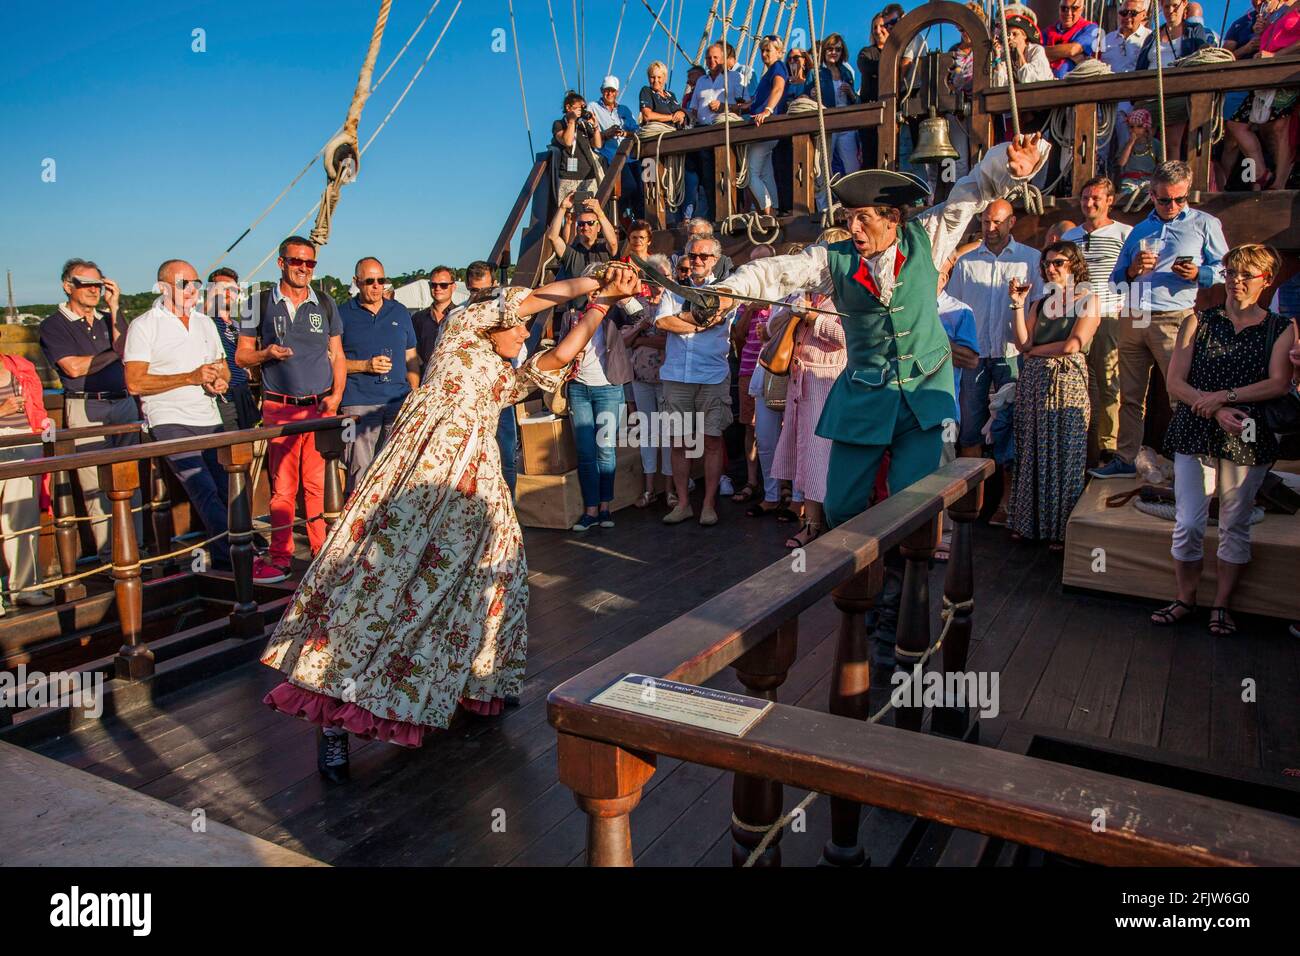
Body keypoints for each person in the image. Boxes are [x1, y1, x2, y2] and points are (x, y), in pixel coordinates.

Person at [260, 264, 641, 778]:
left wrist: (600, 307)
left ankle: (469, 684)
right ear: (493, 318)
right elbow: (531, 301)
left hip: (477, 484)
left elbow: (558, 356)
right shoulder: (460, 333)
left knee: (490, 579)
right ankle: (333, 723)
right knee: (382, 586)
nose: (526, 332)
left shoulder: (503, 376)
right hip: (422, 477)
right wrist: (598, 278)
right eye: (519, 324)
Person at [710, 135, 1052, 532]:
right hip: (865, 396)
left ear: (892, 218)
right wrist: (727, 291)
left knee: (911, 503)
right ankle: (863, 577)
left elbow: (970, 192)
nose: (852, 227)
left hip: (924, 395)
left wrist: (1009, 167)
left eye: (863, 218)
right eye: (848, 217)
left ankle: (902, 579)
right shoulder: (833, 261)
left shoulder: (929, 236)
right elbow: (779, 270)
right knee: (840, 505)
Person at [1154, 243, 1296, 635]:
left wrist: (1228, 398)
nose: (1235, 281)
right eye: (1231, 273)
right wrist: (1214, 406)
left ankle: (1222, 604)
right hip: (1198, 426)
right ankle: (1185, 598)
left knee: (1234, 522)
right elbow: (1175, 382)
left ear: (1264, 281)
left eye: (1245, 275)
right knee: (1188, 522)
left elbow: (1279, 382)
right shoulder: (1198, 320)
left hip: (1248, 431)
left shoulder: (1280, 328)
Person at [1093, 160, 1227, 478]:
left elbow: (1226, 267)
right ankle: (1126, 460)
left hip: (1174, 317)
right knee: (1130, 394)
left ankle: (1190, 460)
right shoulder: (1140, 230)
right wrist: (1132, 269)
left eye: (1180, 199)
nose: (1173, 206)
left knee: (1181, 392)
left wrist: (1200, 273)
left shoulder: (1204, 224)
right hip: (1135, 315)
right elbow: (1115, 282)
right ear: (1152, 195)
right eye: (1165, 199)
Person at [236, 236, 347, 583]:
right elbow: (241, 357)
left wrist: (336, 396)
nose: (303, 268)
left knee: (317, 486)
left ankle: (321, 554)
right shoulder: (257, 303)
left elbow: (338, 355)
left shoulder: (326, 303)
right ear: (281, 263)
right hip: (280, 407)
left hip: (318, 407)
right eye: (296, 261)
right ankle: (280, 557)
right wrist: (267, 354)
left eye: (310, 263)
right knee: (283, 487)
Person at [123, 260, 232, 568]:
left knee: (228, 487)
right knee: (204, 489)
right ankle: (234, 557)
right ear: (163, 288)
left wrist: (219, 378)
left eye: (197, 283)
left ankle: (239, 547)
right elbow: (134, 382)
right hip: (169, 419)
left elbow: (220, 364)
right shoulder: (144, 325)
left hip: (208, 417)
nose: (193, 290)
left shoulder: (204, 323)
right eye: (185, 284)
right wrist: (189, 377)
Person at [944, 198, 1042, 525]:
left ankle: (1007, 505)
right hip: (974, 357)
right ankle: (970, 506)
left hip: (1012, 355)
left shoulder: (1031, 260)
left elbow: (1040, 309)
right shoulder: (967, 262)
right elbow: (953, 307)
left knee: (1011, 429)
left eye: (997, 222)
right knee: (969, 430)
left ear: (1011, 222)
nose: (991, 227)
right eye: (986, 221)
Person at [38, 258, 142, 560]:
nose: (94, 290)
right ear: (68, 286)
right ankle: (110, 556)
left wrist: (114, 307)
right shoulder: (53, 325)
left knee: (129, 479)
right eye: (87, 284)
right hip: (85, 404)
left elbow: (130, 352)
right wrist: (115, 353)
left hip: (122, 401)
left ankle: (135, 550)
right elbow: (72, 368)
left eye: (100, 284)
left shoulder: (108, 318)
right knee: (94, 485)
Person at [1006, 241, 1100, 548]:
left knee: (1065, 454)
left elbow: (1073, 344)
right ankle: (1028, 524)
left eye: (1058, 262)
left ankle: (1061, 530)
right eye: (1046, 263)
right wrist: (1018, 305)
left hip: (1067, 379)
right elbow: (1021, 343)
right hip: (1034, 382)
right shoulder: (1038, 304)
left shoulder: (1088, 300)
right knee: (1031, 450)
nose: (1051, 268)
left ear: (1074, 264)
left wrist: (1034, 351)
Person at [655, 235, 738, 526]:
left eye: (704, 256)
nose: (697, 261)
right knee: (678, 442)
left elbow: (715, 318)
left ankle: (708, 505)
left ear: (716, 259)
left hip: (712, 375)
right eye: (692, 255)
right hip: (677, 375)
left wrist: (683, 317)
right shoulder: (673, 289)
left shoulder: (726, 290)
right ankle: (684, 504)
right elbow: (663, 322)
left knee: (712, 441)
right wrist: (697, 318)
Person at [1062, 177, 1132, 464]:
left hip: (1107, 315)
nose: (1089, 203)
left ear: (1110, 201)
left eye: (1096, 198)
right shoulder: (1071, 237)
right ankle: (1079, 447)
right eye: (1085, 197)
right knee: (1076, 381)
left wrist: (1127, 315)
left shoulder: (1125, 233)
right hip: (1075, 316)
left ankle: (1108, 448)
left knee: (1108, 381)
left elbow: (1135, 277)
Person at [768, 288, 844, 548]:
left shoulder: (847, 295)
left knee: (823, 454)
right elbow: (770, 328)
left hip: (828, 384)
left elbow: (851, 337)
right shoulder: (798, 294)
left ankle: (835, 523)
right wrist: (791, 311)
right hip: (799, 384)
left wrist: (814, 319)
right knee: (806, 454)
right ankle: (810, 524)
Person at [338, 257, 419, 496]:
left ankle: (389, 527)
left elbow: (411, 357)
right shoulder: (342, 314)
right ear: (356, 282)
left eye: (381, 281)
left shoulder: (400, 311)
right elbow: (331, 361)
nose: (376, 286)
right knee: (358, 469)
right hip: (356, 405)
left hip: (398, 403)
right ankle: (358, 528)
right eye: (369, 281)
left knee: (396, 468)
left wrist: (414, 393)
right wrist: (365, 365)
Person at [560, 266, 632, 531]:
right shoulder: (572, 314)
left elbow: (639, 316)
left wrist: (620, 296)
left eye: (598, 284)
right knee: (585, 452)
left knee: (605, 449)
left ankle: (605, 507)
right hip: (579, 386)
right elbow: (561, 348)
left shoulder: (614, 311)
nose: (593, 289)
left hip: (608, 386)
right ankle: (590, 509)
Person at [1226, 0, 1300, 190]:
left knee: (1282, 127)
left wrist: (1277, 56)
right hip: (1267, 74)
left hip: (1287, 72)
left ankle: (1279, 184)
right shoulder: (1279, 10)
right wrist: (1263, 31)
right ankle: (1260, 172)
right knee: (1237, 124)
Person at [0, 350, 53, 612]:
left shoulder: (20, 366)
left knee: (23, 520)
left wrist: (45, 431)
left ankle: (26, 588)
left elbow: (37, 406)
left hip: (23, 439)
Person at [622, 254, 674, 507]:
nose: (658, 283)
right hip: (641, 378)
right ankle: (649, 489)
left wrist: (641, 338)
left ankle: (671, 489)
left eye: (663, 278)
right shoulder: (637, 306)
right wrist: (639, 333)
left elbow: (670, 341)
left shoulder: (674, 304)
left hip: (665, 378)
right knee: (648, 434)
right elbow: (623, 341)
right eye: (654, 278)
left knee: (667, 434)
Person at [1135, 0, 1213, 159]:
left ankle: (1171, 181)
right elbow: (1141, 65)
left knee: (1172, 144)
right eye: (1166, 6)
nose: (1170, 10)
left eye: (1174, 5)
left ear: (1184, 4)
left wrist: (1205, 49)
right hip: (1149, 94)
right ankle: (1143, 179)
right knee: (1141, 141)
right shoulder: (1153, 35)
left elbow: (1201, 54)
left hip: (1177, 94)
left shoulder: (1193, 30)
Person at [730, 246, 776, 507]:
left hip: (777, 370)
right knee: (750, 426)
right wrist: (749, 308)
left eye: (763, 262)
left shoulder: (784, 294)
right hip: (749, 368)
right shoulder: (745, 299)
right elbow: (737, 337)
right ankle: (752, 481)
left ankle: (781, 485)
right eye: (753, 263)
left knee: (779, 429)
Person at [205, 267, 259, 431]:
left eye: (234, 289)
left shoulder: (238, 327)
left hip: (243, 396)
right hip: (221, 399)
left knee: (245, 448)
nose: (229, 293)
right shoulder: (205, 322)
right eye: (222, 288)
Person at [1099, 0, 1152, 162]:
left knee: (1128, 145)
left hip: (1132, 101)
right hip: (1107, 100)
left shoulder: (1149, 38)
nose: (1127, 17)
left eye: (1133, 13)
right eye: (1123, 13)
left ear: (1143, 15)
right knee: (1099, 146)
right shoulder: (1106, 39)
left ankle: (1125, 179)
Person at [745, 35, 790, 216]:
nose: (764, 54)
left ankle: (767, 209)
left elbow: (778, 88)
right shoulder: (769, 72)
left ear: (779, 52)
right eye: (762, 51)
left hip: (765, 126)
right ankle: (775, 207)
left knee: (750, 173)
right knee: (764, 172)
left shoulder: (778, 67)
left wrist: (768, 110)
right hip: (765, 126)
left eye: (768, 50)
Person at [590, 75, 642, 218]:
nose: (609, 94)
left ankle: (633, 220)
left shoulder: (623, 110)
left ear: (617, 92)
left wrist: (624, 133)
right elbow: (588, 131)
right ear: (601, 91)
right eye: (606, 90)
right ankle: (620, 216)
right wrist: (607, 134)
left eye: (612, 91)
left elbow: (636, 130)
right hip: (611, 156)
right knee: (629, 186)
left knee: (641, 189)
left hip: (629, 156)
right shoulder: (593, 107)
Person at [551, 91, 603, 208]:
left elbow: (598, 145)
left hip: (588, 176)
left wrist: (595, 127)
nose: (582, 111)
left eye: (584, 108)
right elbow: (567, 141)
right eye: (579, 108)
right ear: (568, 107)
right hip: (568, 177)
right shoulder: (559, 124)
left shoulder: (583, 125)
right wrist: (571, 121)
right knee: (569, 215)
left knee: (588, 212)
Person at [819, 33, 860, 177]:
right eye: (830, 49)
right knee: (824, 165)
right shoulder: (816, 73)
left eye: (838, 49)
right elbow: (805, 99)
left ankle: (853, 197)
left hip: (846, 122)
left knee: (852, 165)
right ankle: (827, 198)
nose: (834, 52)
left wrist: (851, 93)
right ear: (824, 50)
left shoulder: (847, 72)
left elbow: (856, 101)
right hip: (827, 122)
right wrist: (812, 94)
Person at [410, 265, 457, 377]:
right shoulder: (417, 318)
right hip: (424, 380)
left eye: (443, 285)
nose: (438, 288)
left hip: (453, 380)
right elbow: (410, 349)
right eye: (433, 284)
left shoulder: (461, 316)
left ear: (453, 287)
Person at [1042, 0, 1101, 78]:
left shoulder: (1091, 29)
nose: (1068, 13)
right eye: (1064, 8)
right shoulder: (1047, 32)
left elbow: (1073, 49)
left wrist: (1048, 53)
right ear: (1059, 9)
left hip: (1075, 85)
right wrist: (1069, 53)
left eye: (1074, 8)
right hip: (1045, 84)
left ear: (1082, 9)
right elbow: (1034, 54)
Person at [993, 16, 1055, 86]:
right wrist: (997, 56)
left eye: (1015, 34)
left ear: (1024, 36)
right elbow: (999, 85)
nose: (1010, 38)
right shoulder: (1006, 56)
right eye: (1008, 35)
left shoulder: (1037, 50)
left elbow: (1028, 79)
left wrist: (1018, 51)